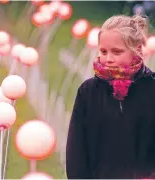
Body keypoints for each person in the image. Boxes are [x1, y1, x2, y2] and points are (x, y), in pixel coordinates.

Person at [66, 14, 155, 179]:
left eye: (117, 52)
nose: (108, 59)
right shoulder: (87, 92)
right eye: (103, 51)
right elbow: (76, 150)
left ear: (137, 49)